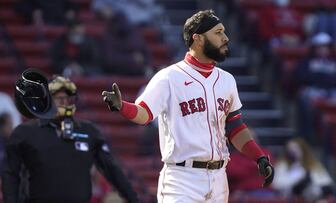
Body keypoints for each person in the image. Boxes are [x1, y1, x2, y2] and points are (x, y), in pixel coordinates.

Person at [102, 10, 274, 202]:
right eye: (218, 33)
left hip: (218, 178)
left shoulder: (227, 80)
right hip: (182, 178)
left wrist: (259, 157)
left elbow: (234, 127)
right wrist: (122, 106)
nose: (225, 38)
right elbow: (144, 114)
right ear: (198, 39)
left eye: (224, 32)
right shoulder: (169, 77)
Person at [2, 76, 138, 203]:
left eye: (66, 97)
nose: (63, 101)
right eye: (58, 97)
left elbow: (112, 170)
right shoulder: (25, 133)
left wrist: (133, 200)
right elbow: (11, 175)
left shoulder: (88, 131)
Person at [272, 137, 334, 202]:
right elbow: (276, 184)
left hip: (315, 195)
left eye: (296, 148)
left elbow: (327, 183)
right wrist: (296, 176)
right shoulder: (282, 164)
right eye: (290, 149)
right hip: (293, 196)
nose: (293, 152)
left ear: (303, 149)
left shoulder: (313, 164)